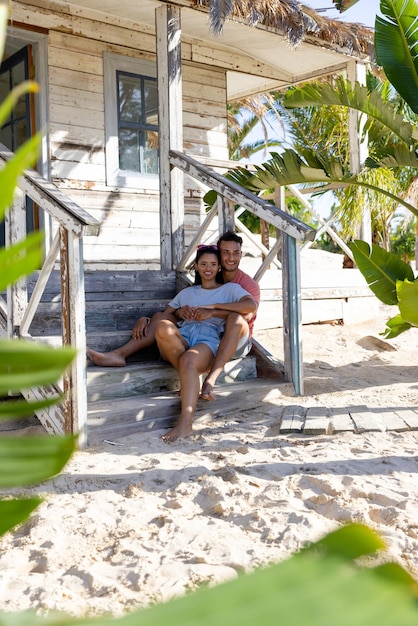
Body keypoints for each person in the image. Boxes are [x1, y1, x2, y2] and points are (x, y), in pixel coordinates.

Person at [86, 232, 260, 397]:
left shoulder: (243, 286)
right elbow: (168, 314)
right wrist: (153, 317)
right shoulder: (195, 289)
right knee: (162, 320)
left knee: (233, 320)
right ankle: (119, 354)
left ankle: (208, 379)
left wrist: (212, 310)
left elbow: (242, 317)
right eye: (225, 253)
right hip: (195, 333)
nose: (230, 258)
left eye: (235, 253)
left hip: (233, 339)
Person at [155, 245, 256, 443]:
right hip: (185, 333)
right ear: (196, 266)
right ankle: (190, 378)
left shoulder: (230, 289)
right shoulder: (187, 293)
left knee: (188, 360)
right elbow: (165, 315)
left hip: (207, 337)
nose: (208, 268)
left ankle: (185, 423)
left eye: (213, 264)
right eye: (203, 264)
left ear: (219, 267)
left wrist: (213, 309)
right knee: (163, 327)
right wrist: (178, 313)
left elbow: (250, 305)